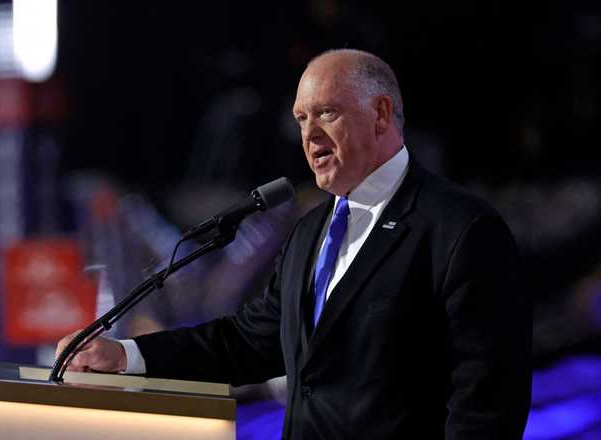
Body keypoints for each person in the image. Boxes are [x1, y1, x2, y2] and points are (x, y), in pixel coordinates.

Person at [56, 49, 532, 439]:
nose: (310, 136)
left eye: (327, 112)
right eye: (302, 119)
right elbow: (248, 343)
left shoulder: (459, 227)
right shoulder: (310, 232)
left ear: (381, 114)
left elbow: (488, 398)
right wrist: (127, 356)